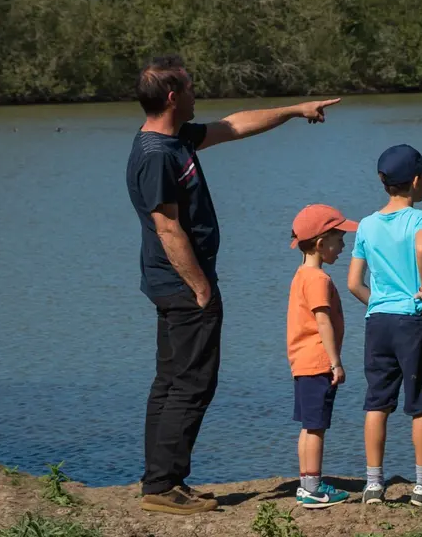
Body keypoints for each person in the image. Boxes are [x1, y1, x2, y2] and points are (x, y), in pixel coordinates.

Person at [126, 55, 340, 516]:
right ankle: (162, 488)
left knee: (172, 382)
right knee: (191, 384)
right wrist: (200, 287)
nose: (195, 93)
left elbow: (234, 126)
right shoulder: (156, 156)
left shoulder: (176, 139)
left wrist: (293, 109)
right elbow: (168, 229)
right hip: (183, 288)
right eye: (189, 87)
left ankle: (164, 479)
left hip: (175, 285)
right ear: (171, 96)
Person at [347, 144, 422, 506]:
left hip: (378, 322)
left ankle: (373, 484)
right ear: (417, 181)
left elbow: (354, 283)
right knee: (421, 403)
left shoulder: (367, 225)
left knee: (377, 402)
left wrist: (378, 302)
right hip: (413, 320)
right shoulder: (420, 218)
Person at [285, 203, 357, 508]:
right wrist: (335, 362)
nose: (342, 246)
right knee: (316, 427)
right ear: (320, 243)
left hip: (302, 362)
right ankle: (313, 490)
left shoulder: (301, 275)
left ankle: (306, 483)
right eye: (338, 239)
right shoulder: (318, 280)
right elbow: (323, 320)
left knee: (308, 424)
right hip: (317, 362)